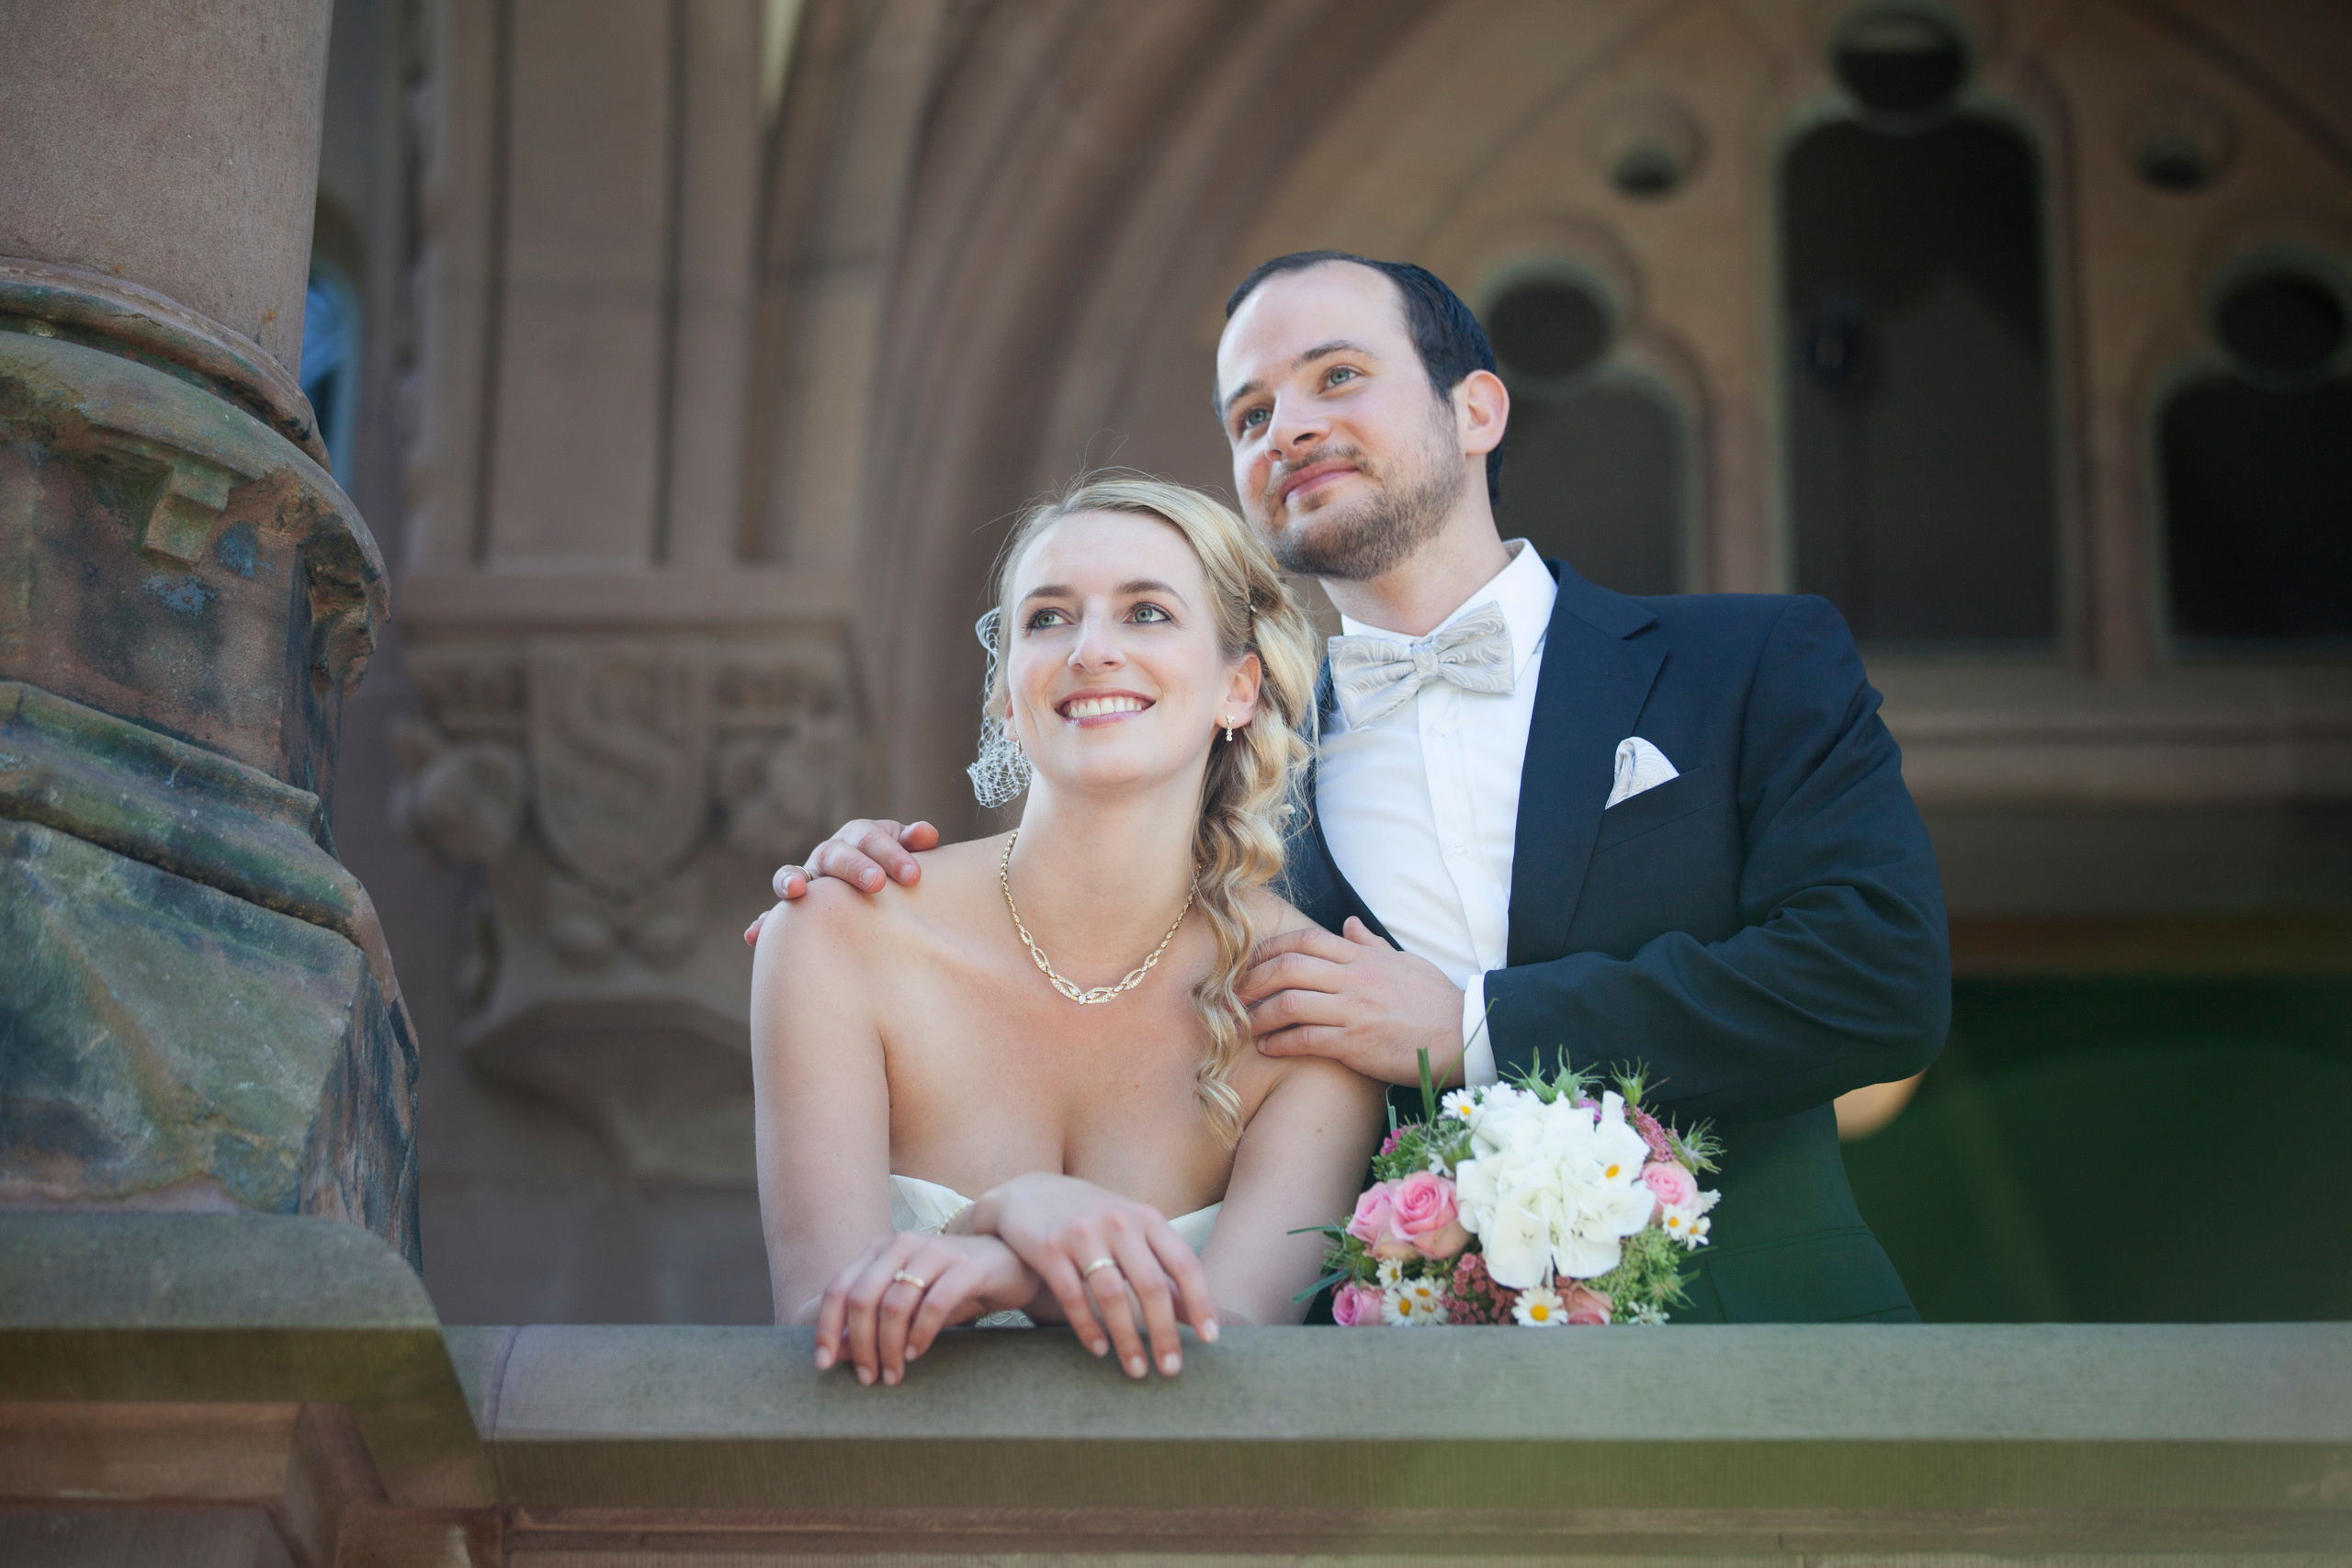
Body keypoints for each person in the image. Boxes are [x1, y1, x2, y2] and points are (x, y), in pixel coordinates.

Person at [761, 252, 1951, 1325]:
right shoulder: (1224, 775)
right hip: (1387, 1434)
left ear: (1475, 406)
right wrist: (866, 882)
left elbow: (1878, 975)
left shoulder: (1749, 665)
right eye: (1252, 412)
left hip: (1768, 1357)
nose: (1290, 426)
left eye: (1338, 375)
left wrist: (1468, 1026)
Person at [750, 476, 1385, 1387]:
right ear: (1008, 692)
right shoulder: (838, 939)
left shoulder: (1309, 1006)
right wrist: (1023, 1217)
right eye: (1046, 620)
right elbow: (811, 1331)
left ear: (1237, 687)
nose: (1091, 651)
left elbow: (1240, 1351)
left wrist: (1011, 1253)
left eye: (1147, 614)